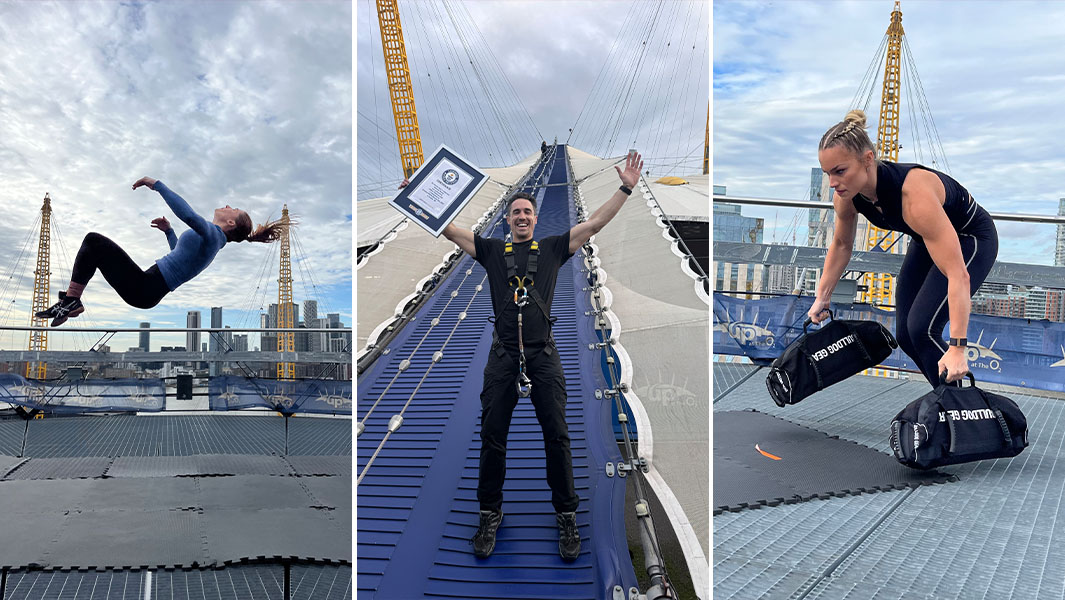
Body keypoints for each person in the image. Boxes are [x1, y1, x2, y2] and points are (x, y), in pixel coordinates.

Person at [441, 151, 642, 560]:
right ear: (507, 220)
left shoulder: (552, 249)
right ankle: (489, 512)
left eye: (527, 212)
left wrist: (625, 189)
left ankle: (566, 515)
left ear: (535, 220)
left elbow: (594, 224)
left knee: (557, 436)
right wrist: (418, 197)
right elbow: (451, 231)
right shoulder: (491, 251)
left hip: (542, 355)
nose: (521, 217)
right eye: (515, 212)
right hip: (503, 356)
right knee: (493, 437)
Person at [808, 110, 998, 386]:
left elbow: (958, 274)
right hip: (925, 238)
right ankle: (949, 398)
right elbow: (841, 244)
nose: (833, 183)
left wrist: (958, 348)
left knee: (922, 328)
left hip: (971, 237)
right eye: (828, 173)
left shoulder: (913, 195)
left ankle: (963, 404)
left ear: (868, 160)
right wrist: (822, 297)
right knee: (906, 336)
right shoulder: (846, 196)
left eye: (840, 171)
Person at [36, 176, 285, 326]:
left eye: (234, 209)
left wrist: (156, 184)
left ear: (230, 223)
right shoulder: (210, 242)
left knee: (94, 242)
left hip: (147, 287)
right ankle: (71, 302)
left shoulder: (213, 236)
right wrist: (168, 231)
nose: (228, 205)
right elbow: (178, 254)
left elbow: (188, 215)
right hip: (148, 288)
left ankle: (71, 301)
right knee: (94, 246)